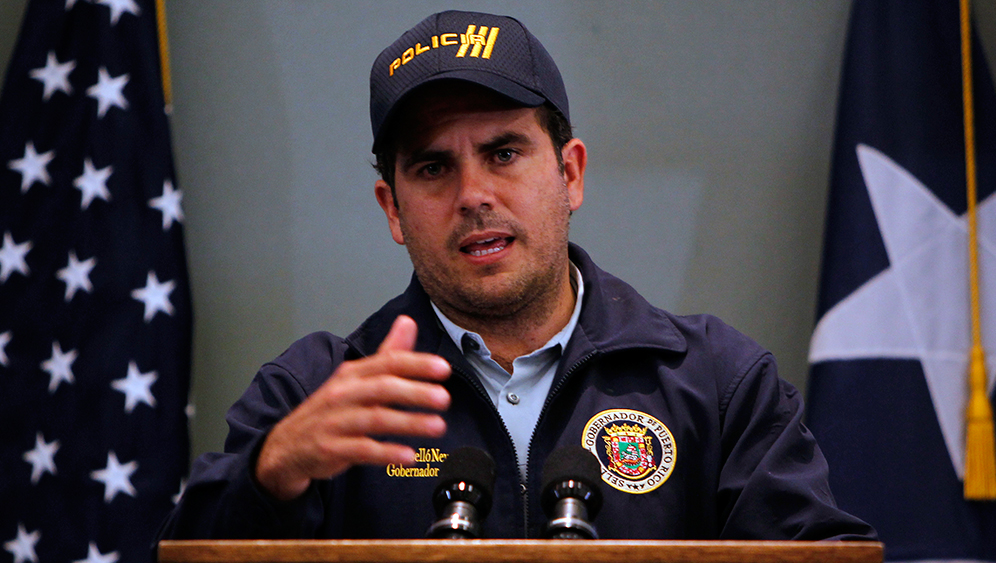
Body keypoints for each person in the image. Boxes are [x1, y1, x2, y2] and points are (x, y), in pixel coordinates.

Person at [159, 10, 877, 540]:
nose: (473, 194)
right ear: (393, 209)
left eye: (503, 153)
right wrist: (268, 477)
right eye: (433, 167)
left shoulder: (717, 384)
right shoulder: (315, 394)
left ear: (570, 173)